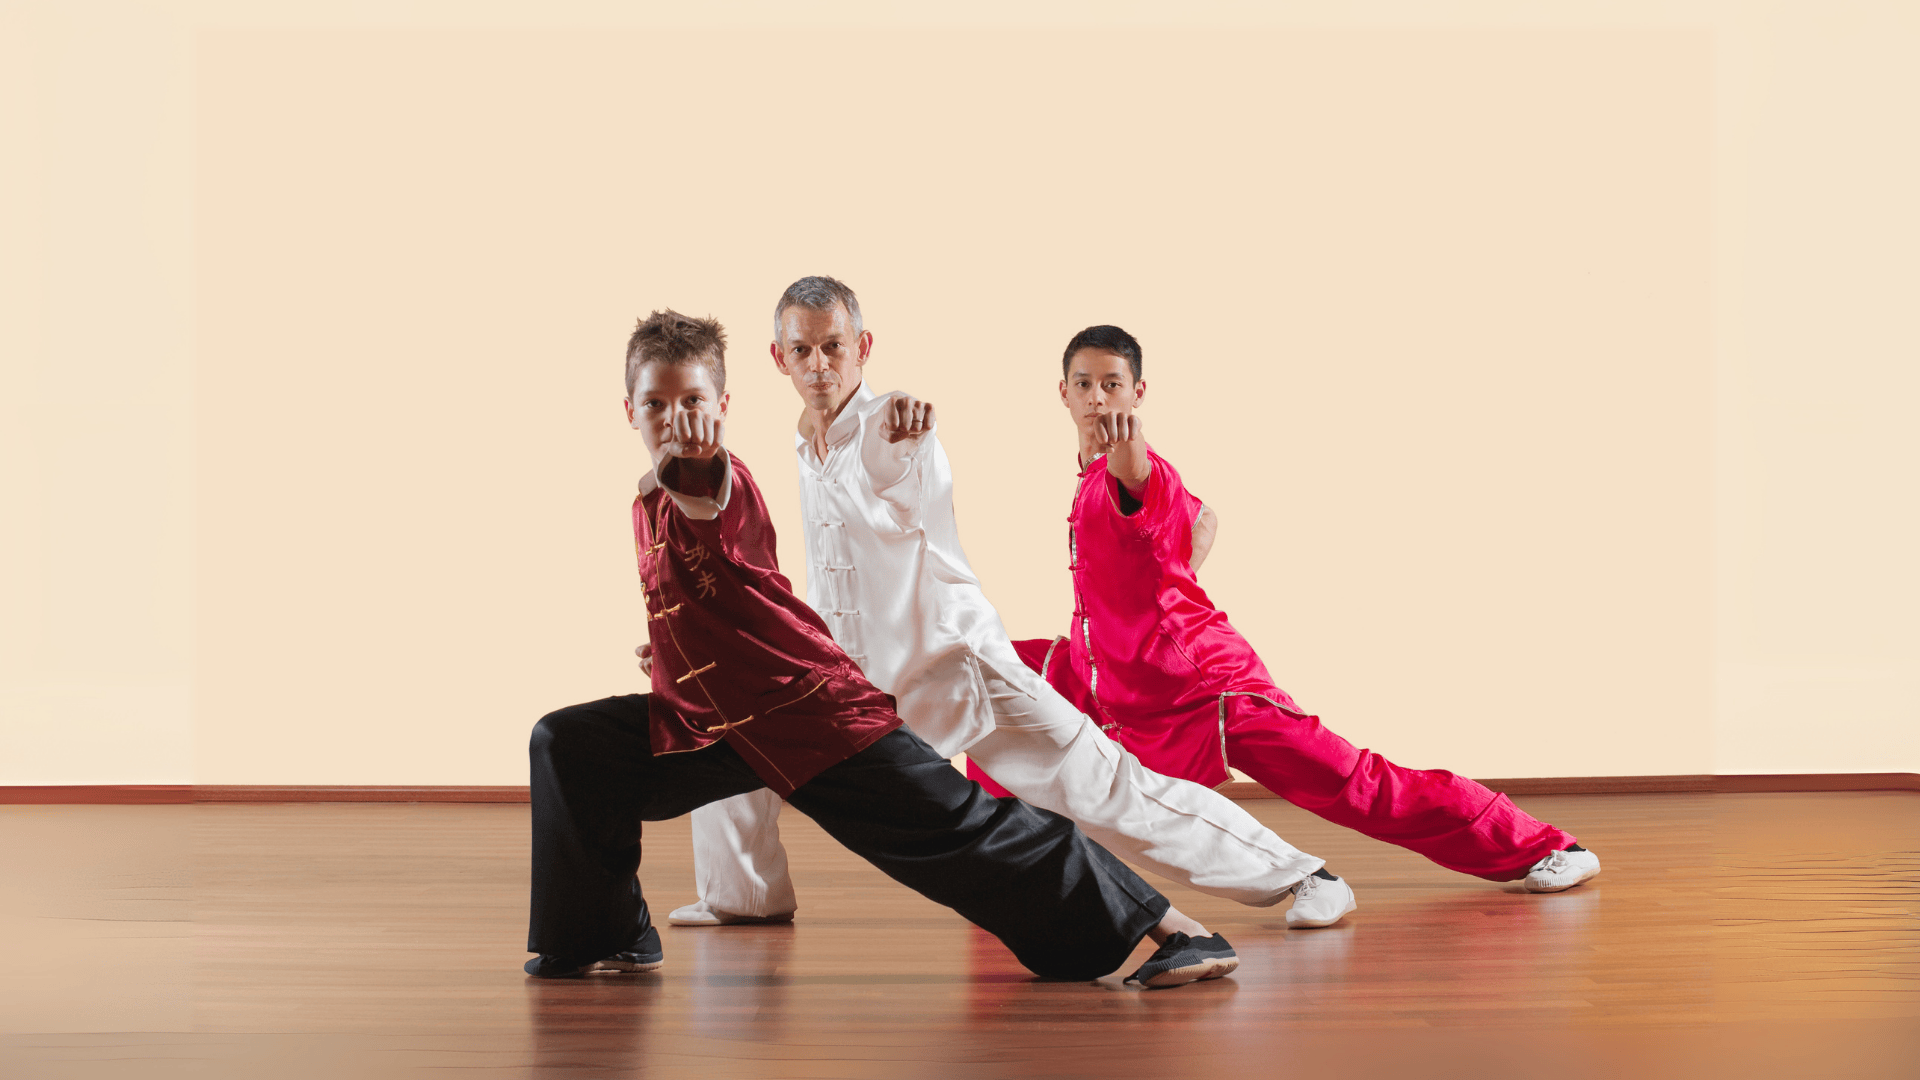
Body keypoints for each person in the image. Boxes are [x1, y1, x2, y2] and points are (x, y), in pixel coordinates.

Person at [525, 309, 1235, 989]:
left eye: (693, 404)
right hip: (717, 725)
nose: (676, 421)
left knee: (960, 829)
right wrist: (673, 654)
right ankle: (605, 933)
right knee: (569, 745)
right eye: (656, 405)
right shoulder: (646, 499)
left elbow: (707, 499)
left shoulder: (716, 479)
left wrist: (701, 460)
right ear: (629, 411)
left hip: (814, 716)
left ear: (722, 408)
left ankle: (1178, 931)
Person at [664, 277, 1356, 937]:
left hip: (956, 662)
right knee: (734, 721)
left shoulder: (889, 424)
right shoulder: (805, 442)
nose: (819, 364)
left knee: (1104, 787)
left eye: (833, 347)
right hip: (860, 674)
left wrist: (904, 431)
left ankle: (1305, 875)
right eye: (803, 350)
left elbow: (896, 457)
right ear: (779, 358)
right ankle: (742, 895)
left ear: (863, 347)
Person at [970, 325, 1602, 894]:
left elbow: (1139, 476)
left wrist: (1127, 451)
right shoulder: (1090, 472)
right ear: (1063, 392)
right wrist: (1169, 575)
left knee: (1350, 784)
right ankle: (1007, 864)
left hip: (1202, 686)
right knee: (990, 681)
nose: (1098, 399)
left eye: (1112, 385)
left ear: (1138, 393)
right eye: (1084, 384)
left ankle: (1544, 846)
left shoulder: (1135, 466)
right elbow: (1204, 519)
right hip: (1111, 675)